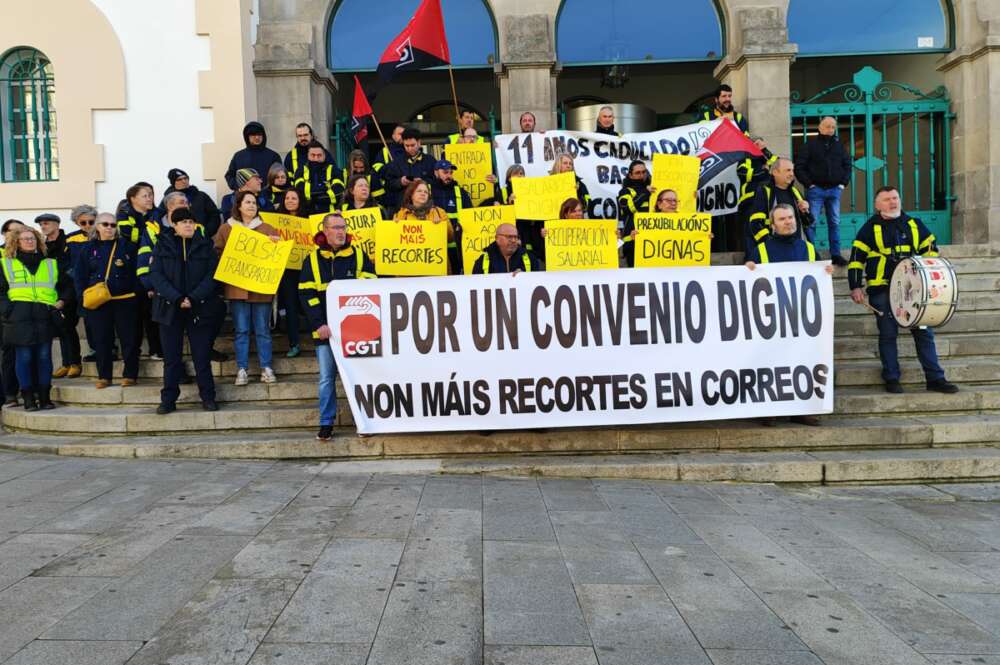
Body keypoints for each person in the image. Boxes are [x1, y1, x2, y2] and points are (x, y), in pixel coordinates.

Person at [848, 186, 958, 395]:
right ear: (877, 205)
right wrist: (855, 286)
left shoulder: (914, 224)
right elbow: (855, 260)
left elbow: (930, 249)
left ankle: (935, 378)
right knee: (888, 335)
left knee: (924, 333)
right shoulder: (868, 228)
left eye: (895, 197)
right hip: (882, 289)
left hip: (915, 289)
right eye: (887, 199)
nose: (893, 202)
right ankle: (891, 378)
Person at [745, 204, 831, 426]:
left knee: (803, 361)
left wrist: (826, 273)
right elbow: (747, 280)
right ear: (773, 225)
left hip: (802, 317)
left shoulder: (809, 249)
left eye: (791, 217)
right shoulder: (761, 250)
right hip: (771, 317)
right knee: (769, 362)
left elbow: (817, 279)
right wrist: (749, 268)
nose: (789, 222)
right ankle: (768, 409)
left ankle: (802, 409)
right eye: (782, 219)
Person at [298, 213, 376, 440]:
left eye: (343, 227)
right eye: (336, 228)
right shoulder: (312, 260)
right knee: (326, 379)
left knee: (360, 378)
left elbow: (371, 287)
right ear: (325, 231)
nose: (341, 232)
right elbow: (306, 295)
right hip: (325, 333)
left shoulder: (359, 256)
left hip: (356, 332)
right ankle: (326, 423)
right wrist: (320, 324)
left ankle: (364, 421)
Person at [148, 208, 224, 414]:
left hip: (199, 307)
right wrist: (177, 298)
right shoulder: (162, 245)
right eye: (183, 222)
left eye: (191, 221)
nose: (188, 225)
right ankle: (168, 400)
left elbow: (212, 275)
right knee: (171, 359)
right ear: (174, 225)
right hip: (169, 308)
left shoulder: (204, 245)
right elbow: (156, 275)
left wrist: (193, 297)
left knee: (201, 357)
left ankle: (208, 397)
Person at [0, 225, 73, 410]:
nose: (30, 241)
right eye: (25, 238)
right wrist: (8, 310)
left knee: (44, 357)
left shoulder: (50, 263)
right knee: (23, 358)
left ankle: (44, 396)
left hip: (44, 315)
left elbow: (67, 286)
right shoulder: (7, 263)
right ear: (16, 242)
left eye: (32, 238)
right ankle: (28, 397)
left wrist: (62, 301)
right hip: (19, 316)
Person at [214, 190, 280, 386]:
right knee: (241, 330)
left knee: (262, 330)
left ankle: (266, 367)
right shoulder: (226, 229)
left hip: (261, 289)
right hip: (237, 288)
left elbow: (278, 258)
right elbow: (216, 253)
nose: (252, 205)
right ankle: (242, 369)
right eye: (247, 202)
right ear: (239, 206)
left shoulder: (268, 228)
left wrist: (276, 246)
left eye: (254, 202)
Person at [74, 212, 140, 390]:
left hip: (124, 300)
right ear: (97, 226)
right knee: (101, 339)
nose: (110, 228)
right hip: (99, 301)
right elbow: (79, 276)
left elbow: (136, 273)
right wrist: (83, 296)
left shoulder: (127, 247)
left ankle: (130, 374)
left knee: (129, 339)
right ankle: (104, 376)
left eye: (113, 225)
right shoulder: (87, 249)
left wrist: (134, 294)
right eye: (105, 224)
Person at [794, 116, 852, 265]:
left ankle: (836, 255)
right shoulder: (810, 145)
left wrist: (843, 183)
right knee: (811, 222)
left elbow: (847, 165)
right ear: (819, 127)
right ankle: (811, 254)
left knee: (835, 222)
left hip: (834, 190)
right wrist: (809, 184)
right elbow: (799, 166)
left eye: (833, 127)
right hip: (816, 190)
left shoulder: (839, 146)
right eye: (827, 126)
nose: (831, 129)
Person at [117, 182, 162, 359]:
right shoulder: (124, 215)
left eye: (151, 194)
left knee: (153, 312)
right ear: (133, 198)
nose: (150, 198)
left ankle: (156, 349)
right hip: (131, 269)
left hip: (152, 270)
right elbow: (131, 238)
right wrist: (147, 229)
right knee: (136, 314)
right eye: (145, 195)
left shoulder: (158, 215)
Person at [37, 213, 82, 380]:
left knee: (68, 326)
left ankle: (75, 363)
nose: (43, 227)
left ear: (57, 224)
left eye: (46, 223)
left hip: (68, 289)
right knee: (60, 328)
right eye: (41, 224)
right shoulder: (41, 246)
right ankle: (66, 363)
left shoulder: (68, 242)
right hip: (51, 291)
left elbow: (73, 270)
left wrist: (65, 297)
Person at [275, 189, 310, 359]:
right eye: (287, 198)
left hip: (307, 269)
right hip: (287, 270)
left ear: (300, 201)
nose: (289, 200)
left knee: (309, 304)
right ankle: (294, 343)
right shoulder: (276, 221)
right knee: (290, 307)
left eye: (294, 198)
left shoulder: (309, 220)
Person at [393, 180, 455, 274]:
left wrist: (442, 226)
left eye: (426, 192)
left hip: (435, 270)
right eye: (419, 191)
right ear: (411, 195)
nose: (423, 194)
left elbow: (451, 238)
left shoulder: (439, 212)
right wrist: (394, 227)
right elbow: (394, 242)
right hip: (410, 270)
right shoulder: (402, 214)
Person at [749, 158, 811, 246]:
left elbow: (808, 223)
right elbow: (755, 223)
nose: (792, 174)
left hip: (796, 247)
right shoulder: (764, 191)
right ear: (775, 172)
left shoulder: (795, 191)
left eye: (792, 171)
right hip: (774, 248)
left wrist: (806, 212)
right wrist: (769, 244)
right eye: (788, 170)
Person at [65, 205, 97, 372]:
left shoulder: (102, 235)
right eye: (82, 222)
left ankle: (110, 348)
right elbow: (66, 262)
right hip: (82, 287)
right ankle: (94, 349)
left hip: (101, 285)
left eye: (90, 221)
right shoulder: (71, 239)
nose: (87, 225)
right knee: (89, 320)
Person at [736, 137, 778, 259]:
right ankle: (750, 260)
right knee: (750, 231)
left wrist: (764, 150)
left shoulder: (768, 157)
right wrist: (763, 171)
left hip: (768, 201)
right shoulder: (745, 158)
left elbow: (777, 164)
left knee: (767, 230)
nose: (756, 145)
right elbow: (743, 173)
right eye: (754, 143)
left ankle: (767, 258)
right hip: (750, 201)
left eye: (759, 143)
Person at [431, 159, 472, 273]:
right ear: (436, 173)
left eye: (450, 172)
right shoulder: (427, 191)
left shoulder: (461, 192)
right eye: (445, 172)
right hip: (433, 245)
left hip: (457, 246)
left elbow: (470, 215)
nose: (449, 175)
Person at [156, 168, 222, 239]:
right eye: (179, 179)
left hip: (200, 239)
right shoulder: (168, 198)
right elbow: (159, 217)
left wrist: (205, 233)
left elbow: (214, 215)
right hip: (175, 239)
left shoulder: (201, 196)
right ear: (173, 182)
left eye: (186, 178)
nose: (184, 181)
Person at [0, 219, 24, 404]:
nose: (16, 235)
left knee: (27, 354)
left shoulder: (29, 253)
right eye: (12, 231)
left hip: (28, 312)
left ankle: (28, 391)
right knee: (9, 354)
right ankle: (9, 393)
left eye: (20, 231)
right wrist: (7, 310)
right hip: (7, 314)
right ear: (5, 234)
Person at [384, 128, 436, 213]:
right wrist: (400, 182)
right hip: (403, 209)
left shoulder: (430, 161)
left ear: (419, 143)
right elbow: (388, 183)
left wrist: (423, 182)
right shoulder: (397, 162)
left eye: (412, 145)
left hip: (426, 209)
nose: (410, 148)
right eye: (406, 146)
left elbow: (437, 182)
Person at [225, 121, 282, 191]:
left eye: (260, 134)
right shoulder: (239, 156)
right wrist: (240, 187)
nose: (257, 137)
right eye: (253, 135)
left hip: (268, 197)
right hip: (245, 198)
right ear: (247, 137)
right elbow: (230, 176)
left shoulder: (273, 156)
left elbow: (280, 177)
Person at [617, 160, 654, 267]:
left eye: (644, 172)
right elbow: (628, 208)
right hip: (632, 242)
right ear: (630, 175)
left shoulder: (653, 189)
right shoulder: (625, 191)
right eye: (638, 173)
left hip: (653, 240)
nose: (641, 175)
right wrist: (646, 193)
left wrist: (690, 196)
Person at [293, 141, 344, 215]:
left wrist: (312, 197)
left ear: (324, 156)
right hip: (306, 216)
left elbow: (337, 193)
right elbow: (300, 191)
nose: (316, 158)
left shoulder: (334, 170)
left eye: (319, 155)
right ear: (308, 155)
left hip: (329, 215)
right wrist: (325, 189)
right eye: (313, 155)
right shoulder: (300, 171)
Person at [472, 223, 541, 275]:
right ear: (497, 239)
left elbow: (538, 283)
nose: (514, 240)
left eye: (516, 237)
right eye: (509, 237)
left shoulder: (530, 258)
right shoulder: (482, 261)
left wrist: (526, 277)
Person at [551, 151, 591, 219]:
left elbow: (589, 201)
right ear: (558, 165)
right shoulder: (548, 183)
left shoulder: (580, 184)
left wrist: (579, 192)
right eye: (565, 163)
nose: (568, 166)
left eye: (570, 164)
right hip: (554, 222)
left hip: (573, 222)